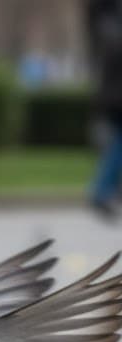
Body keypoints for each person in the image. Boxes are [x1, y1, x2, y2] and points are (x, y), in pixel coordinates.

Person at [89, 0, 122, 220]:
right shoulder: (114, 33)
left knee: (117, 146)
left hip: (112, 99)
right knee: (118, 147)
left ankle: (104, 190)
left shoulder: (108, 30)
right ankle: (101, 191)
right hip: (117, 100)